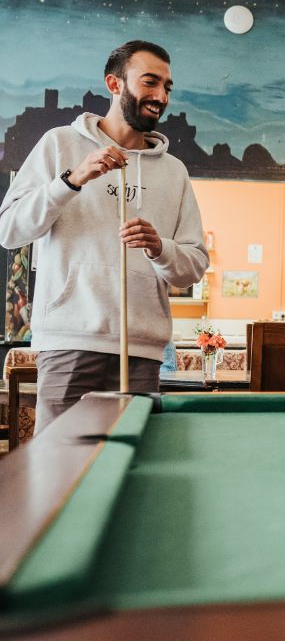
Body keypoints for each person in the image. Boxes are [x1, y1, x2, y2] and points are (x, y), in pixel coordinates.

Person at [0, 40, 209, 434]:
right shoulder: (60, 144)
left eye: (167, 87)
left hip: (144, 352)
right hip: (69, 342)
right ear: (114, 84)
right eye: (150, 82)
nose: (161, 96)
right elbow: (9, 230)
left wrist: (160, 247)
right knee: (60, 472)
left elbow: (193, 265)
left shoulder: (174, 171)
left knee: (136, 471)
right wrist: (71, 181)